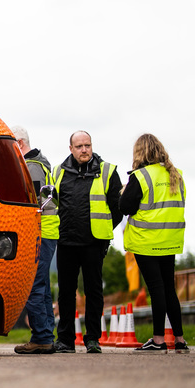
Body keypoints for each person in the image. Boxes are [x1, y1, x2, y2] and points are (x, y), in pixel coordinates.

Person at [52, 130, 122, 354]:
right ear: (71, 149)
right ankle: (65, 340)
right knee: (66, 293)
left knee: (93, 292)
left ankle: (93, 339)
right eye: (80, 146)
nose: (84, 150)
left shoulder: (108, 172)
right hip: (66, 241)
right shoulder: (57, 172)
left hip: (94, 242)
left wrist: (103, 230)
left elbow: (117, 209)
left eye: (88, 145)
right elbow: (50, 205)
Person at [119, 133, 188, 352]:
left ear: (139, 152)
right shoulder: (176, 175)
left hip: (146, 241)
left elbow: (125, 207)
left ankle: (158, 340)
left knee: (156, 289)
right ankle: (179, 339)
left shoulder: (140, 177)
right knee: (169, 289)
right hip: (170, 240)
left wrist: (124, 191)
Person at [11, 126, 58, 354]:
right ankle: (47, 335)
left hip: (40, 233)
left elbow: (33, 207)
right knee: (43, 287)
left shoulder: (32, 168)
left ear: (19, 143)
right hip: (46, 232)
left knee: (33, 286)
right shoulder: (40, 164)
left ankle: (41, 337)